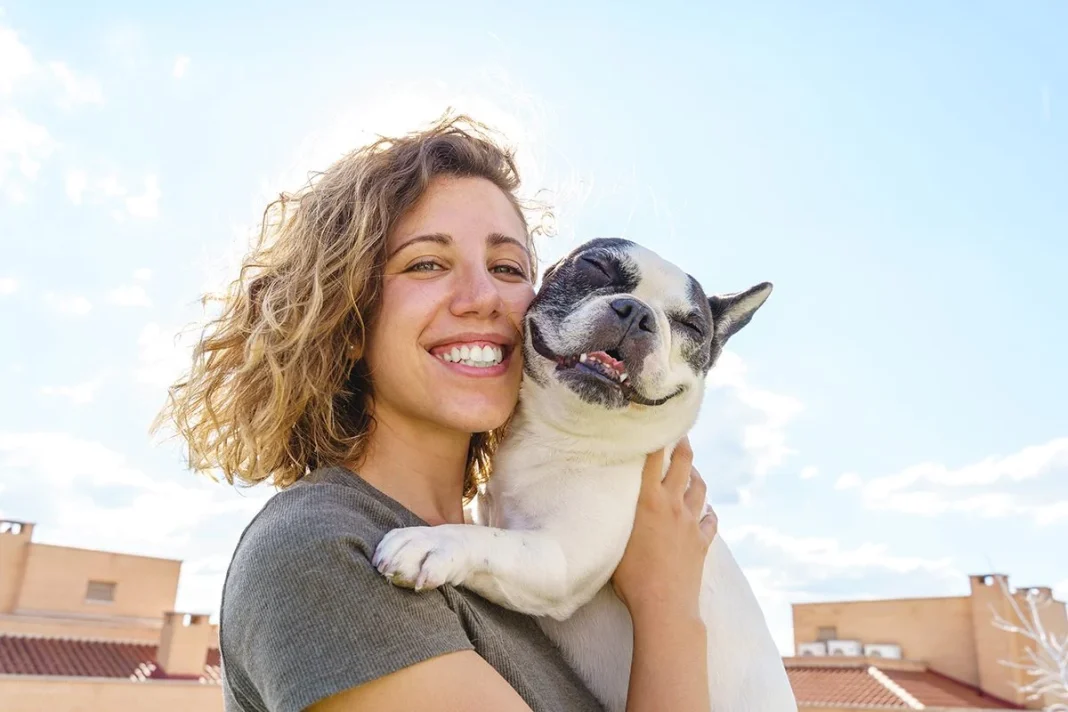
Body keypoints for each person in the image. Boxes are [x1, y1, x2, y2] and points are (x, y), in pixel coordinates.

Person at [157, 113, 719, 712]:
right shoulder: (323, 551)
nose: (483, 298)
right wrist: (667, 608)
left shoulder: (494, 560)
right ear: (345, 319)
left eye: (507, 268)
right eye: (427, 263)